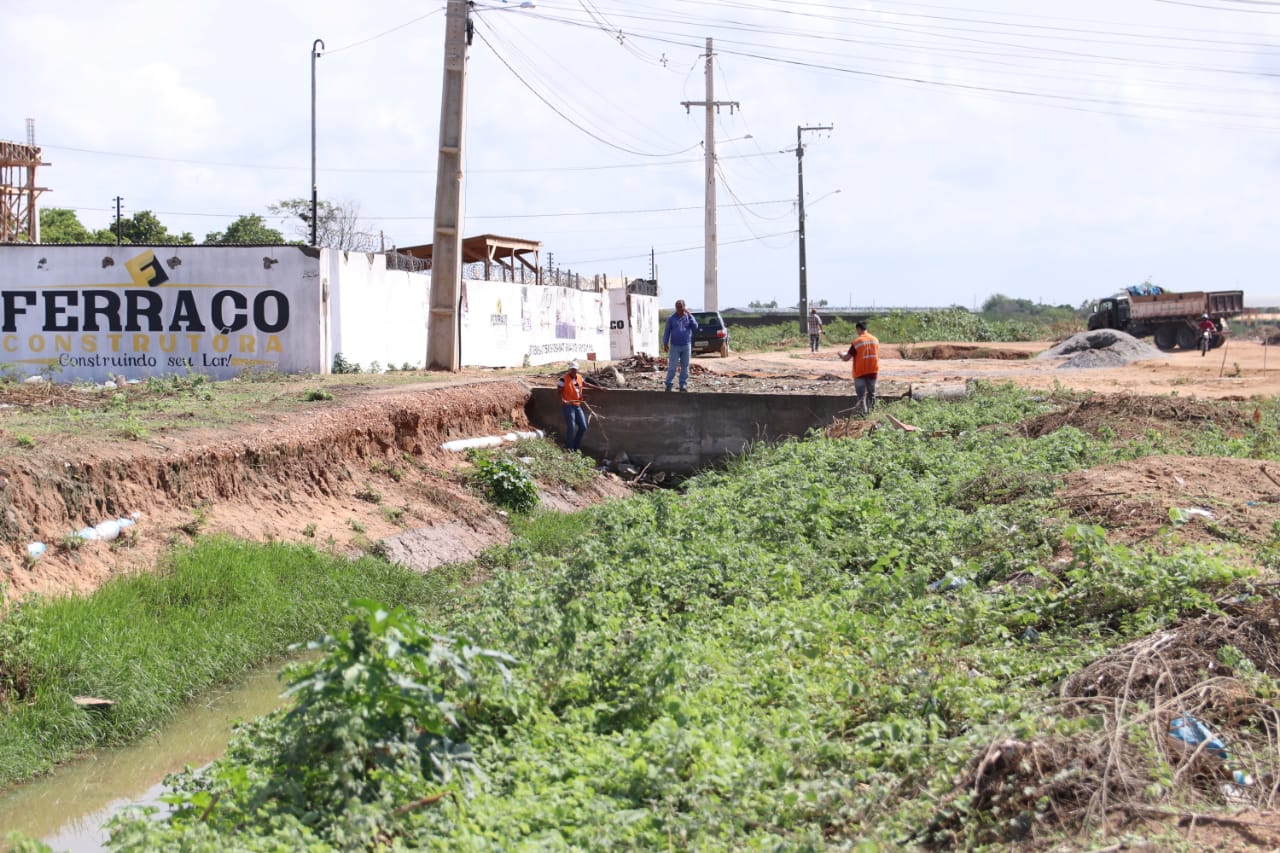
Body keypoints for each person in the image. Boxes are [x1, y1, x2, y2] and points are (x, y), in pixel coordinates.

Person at [557, 360, 605, 451]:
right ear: (569, 370)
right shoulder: (563, 379)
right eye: (571, 369)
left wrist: (599, 388)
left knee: (583, 427)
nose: (573, 371)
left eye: (575, 370)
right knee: (571, 426)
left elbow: (585, 384)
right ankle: (570, 449)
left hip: (577, 405)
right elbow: (558, 391)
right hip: (568, 405)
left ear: (577, 370)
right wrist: (562, 400)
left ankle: (575, 446)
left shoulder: (579, 377)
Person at [840, 321, 880, 416]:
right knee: (872, 394)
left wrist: (840, 354)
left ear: (858, 329)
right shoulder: (875, 340)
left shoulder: (857, 342)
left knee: (861, 397)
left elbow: (846, 358)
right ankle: (872, 415)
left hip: (860, 373)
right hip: (873, 371)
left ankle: (864, 415)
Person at [662, 299, 699, 392]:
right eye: (677, 307)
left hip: (686, 345)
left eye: (681, 307)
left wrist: (690, 315)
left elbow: (695, 327)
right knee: (672, 366)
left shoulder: (688, 317)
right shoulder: (671, 319)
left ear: (684, 307)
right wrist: (665, 343)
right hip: (675, 346)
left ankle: (683, 385)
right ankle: (668, 385)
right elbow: (667, 332)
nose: (679, 309)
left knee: (685, 366)